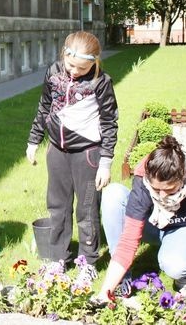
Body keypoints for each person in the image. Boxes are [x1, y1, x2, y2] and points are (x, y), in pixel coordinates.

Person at [95, 136, 186, 302]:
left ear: (183, 177)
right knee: (113, 194)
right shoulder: (143, 178)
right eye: (156, 189)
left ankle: (185, 277)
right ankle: (120, 278)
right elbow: (128, 240)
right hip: (153, 225)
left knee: (175, 265)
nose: (161, 195)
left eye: (169, 190)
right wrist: (104, 292)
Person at [26, 31, 118, 265]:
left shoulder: (101, 82)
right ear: (64, 55)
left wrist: (105, 162)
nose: (75, 72)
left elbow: (109, 122)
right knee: (57, 206)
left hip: (87, 154)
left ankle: (88, 261)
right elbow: (44, 107)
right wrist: (34, 141)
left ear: (94, 62)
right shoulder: (54, 73)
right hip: (57, 150)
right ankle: (58, 259)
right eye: (71, 65)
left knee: (87, 209)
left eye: (81, 68)